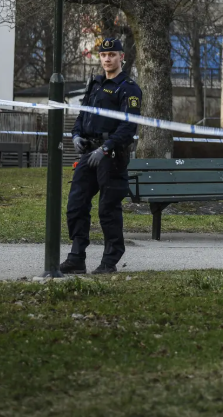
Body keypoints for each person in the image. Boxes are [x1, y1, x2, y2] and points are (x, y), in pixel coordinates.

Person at [60, 38, 143, 275]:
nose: (107, 59)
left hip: (112, 155)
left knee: (108, 209)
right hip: (89, 154)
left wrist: (106, 148)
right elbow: (82, 117)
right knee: (76, 205)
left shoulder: (128, 88)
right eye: (104, 55)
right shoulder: (95, 84)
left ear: (121, 57)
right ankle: (77, 257)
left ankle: (109, 261)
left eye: (112, 55)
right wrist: (76, 135)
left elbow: (129, 127)